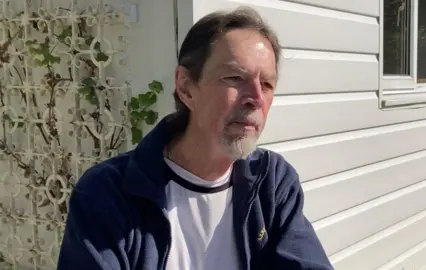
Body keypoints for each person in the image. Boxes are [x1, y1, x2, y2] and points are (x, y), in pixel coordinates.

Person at [57, 6, 334, 270]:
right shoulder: (107, 194)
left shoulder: (272, 183)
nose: (256, 99)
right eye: (235, 78)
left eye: (267, 84)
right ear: (186, 88)